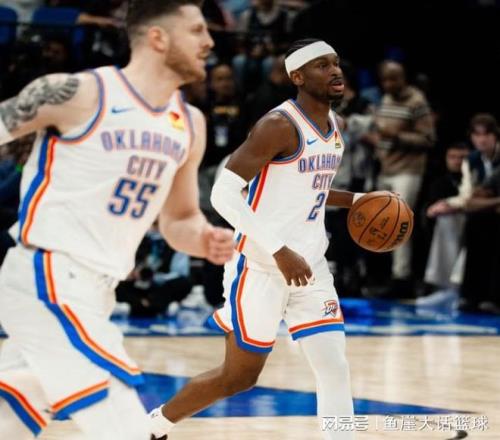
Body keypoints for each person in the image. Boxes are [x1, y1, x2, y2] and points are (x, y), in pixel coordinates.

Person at [0, 1, 234, 439]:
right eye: (197, 30)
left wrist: (205, 239)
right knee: (122, 420)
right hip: (46, 277)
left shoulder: (190, 123)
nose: (208, 41)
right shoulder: (78, 93)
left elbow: (180, 219)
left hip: (99, 291)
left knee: (14, 407)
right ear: (158, 37)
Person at [150, 38, 361, 440]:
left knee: (334, 367)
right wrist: (279, 251)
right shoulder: (278, 125)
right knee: (238, 378)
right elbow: (223, 194)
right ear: (297, 77)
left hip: (311, 268)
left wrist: (358, 200)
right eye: (321, 65)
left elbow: (310, 189)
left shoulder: (333, 126)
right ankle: (152, 426)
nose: (335, 71)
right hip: (261, 267)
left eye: (335, 63)